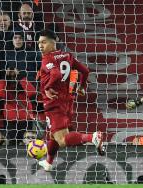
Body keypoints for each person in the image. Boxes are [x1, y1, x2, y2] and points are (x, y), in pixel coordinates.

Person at [36, 29, 105, 171]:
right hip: (67, 102)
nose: (40, 46)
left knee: (62, 139)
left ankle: (92, 137)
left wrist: (48, 88)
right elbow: (85, 71)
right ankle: (49, 162)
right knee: (53, 135)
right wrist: (82, 86)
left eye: (43, 42)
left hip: (53, 103)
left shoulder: (47, 59)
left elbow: (55, 73)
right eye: (39, 43)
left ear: (53, 42)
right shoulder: (67, 55)